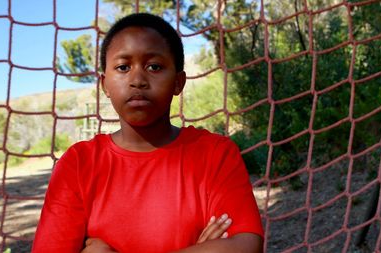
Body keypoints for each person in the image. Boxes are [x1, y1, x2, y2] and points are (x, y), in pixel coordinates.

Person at [32, 13, 263, 253]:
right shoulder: (79, 164)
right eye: (123, 67)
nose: (138, 80)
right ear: (104, 85)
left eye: (154, 66)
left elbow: (246, 245)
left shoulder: (215, 153)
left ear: (178, 82)